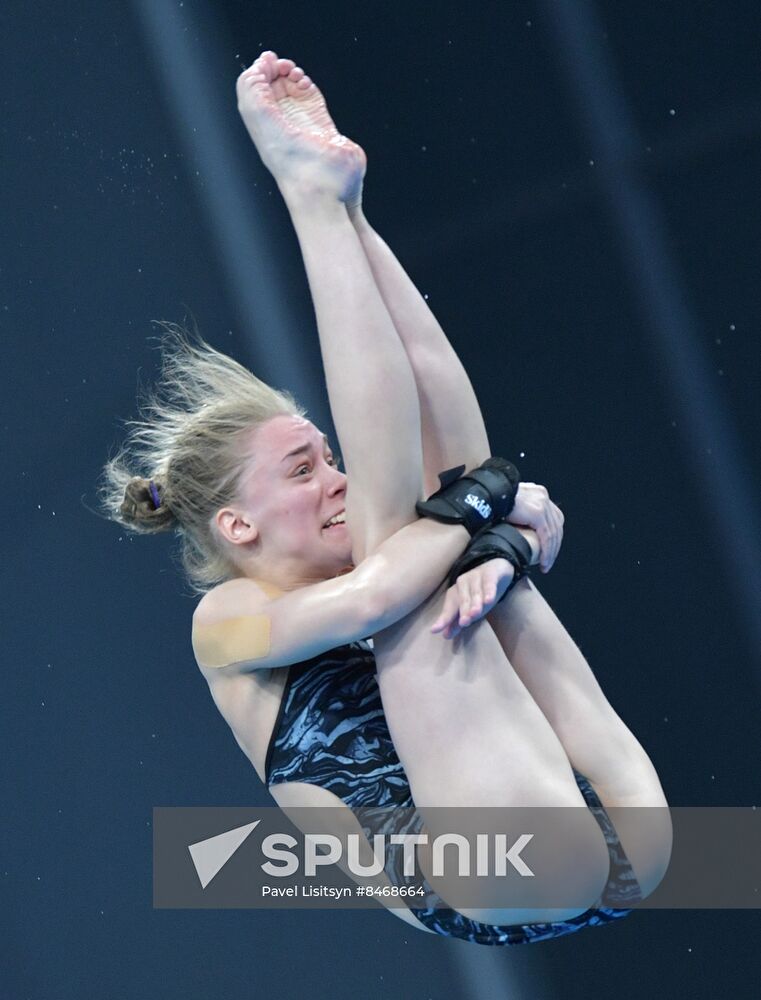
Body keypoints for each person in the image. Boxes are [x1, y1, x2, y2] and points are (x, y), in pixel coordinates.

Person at [101, 50, 671, 945]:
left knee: (429, 516)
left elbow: (431, 521)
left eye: (326, 457)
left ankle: (343, 209)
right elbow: (374, 595)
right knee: (411, 533)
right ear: (235, 524)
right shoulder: (228, 622)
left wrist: (497, 523)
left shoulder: (396, 547)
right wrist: (494, 515)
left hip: (620, 825)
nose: (333, 477)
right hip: (500, 869)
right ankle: (307, 203)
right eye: (301, 471)